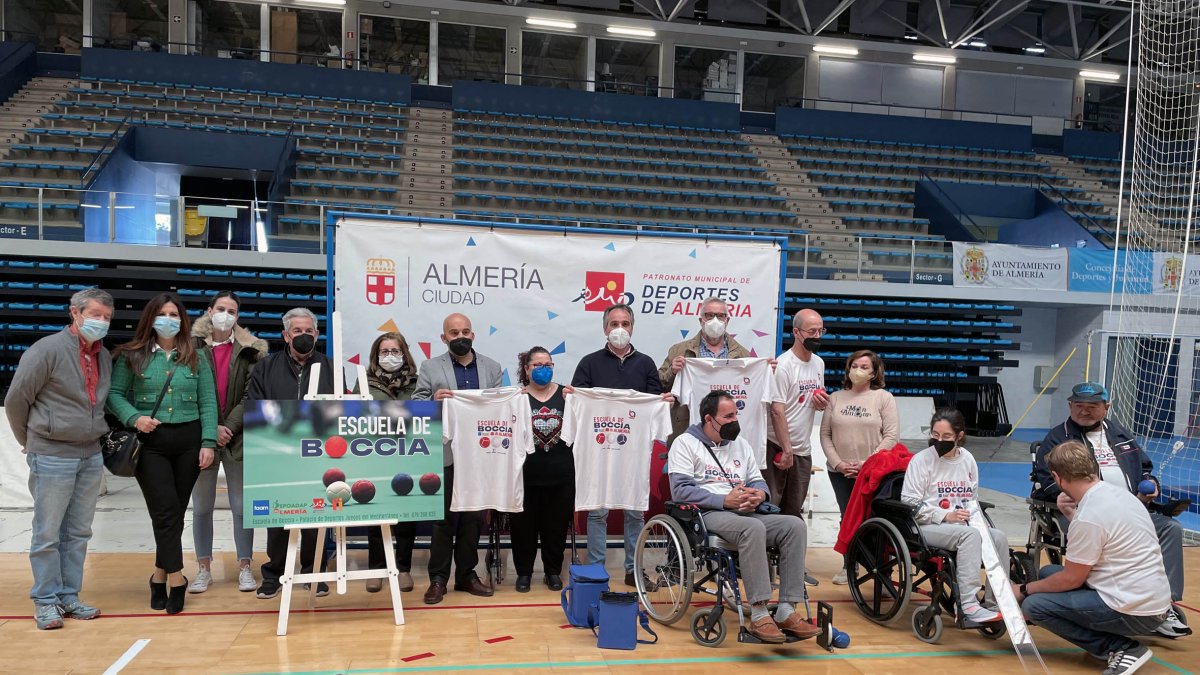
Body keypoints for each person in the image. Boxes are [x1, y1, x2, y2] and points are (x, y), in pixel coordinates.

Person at [1031, 382, 1189, 638]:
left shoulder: (1119, 434)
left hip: (1130, 510)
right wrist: (1060, 493)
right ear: (1070, 406)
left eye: (1092, 406)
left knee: (1170, 528)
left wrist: (1151, 483)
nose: (1084, 411)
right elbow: (1047, 478)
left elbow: (1145, 468)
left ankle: (1164, 605)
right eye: (1079, 405)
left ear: (1107, 407)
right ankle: (1107, 599)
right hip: (1084, 511)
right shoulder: (1058, 438)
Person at [668, 390, 822, 643]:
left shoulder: (741, 444)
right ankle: (759, 614)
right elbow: (681, 491)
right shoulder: (685, 444)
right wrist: (723, 500)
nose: (735, 421)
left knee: (794, 526)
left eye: (736, 415)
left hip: (746, 512)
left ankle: (786, 610)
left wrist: (759, 495)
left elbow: (758, 482)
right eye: (728, 416)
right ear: (709, 419)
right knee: (752, 528)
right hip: (709, 514)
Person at [5, 288, 114, 629]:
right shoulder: (46, 350)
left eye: (106, 317)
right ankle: (45, 600)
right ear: (75, 313)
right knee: (48, 532)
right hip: (52, 453)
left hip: (90, 454)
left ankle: (69, 595)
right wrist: (30, 441)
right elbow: (16, 400)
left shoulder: (104, 356)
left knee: (78, 532)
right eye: (95, 314)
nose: (101, 321)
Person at [1016, 440, 1172, 675]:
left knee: (1035, 605)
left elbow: (1071, 579)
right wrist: (1071, 514)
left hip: (1134, 610)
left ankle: (1121, 648)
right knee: (1048, 574)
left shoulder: (1089, 515)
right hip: (1153, 599)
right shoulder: (1121, 495)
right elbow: (1101, 539)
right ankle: (1108, 636)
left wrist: (1023, 589)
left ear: (1057, 477)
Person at [107, 293, 218, 615]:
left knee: (174, 512)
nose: (168, 320)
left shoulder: (197, 356)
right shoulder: (132, 355)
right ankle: (177, 578)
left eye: (174, 314)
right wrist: (134, 418)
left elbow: (208, 401)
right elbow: (114, 394)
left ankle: (158, 575)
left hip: (189, 440)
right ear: (150, 319)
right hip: (150, 443)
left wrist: (208, 442)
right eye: (162, 314)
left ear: (182, 320)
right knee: (166, 511)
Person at [571, 303, 672, 589]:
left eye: (625, 323)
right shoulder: (589, 362)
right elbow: (579, 400)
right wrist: (572, 395)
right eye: (614, 323)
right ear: (605, 328)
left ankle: (633, 571)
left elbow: (654, 401)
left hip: (632, 451)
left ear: (632, 328)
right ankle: (595, 571)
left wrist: (663, 402)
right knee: (597, 511)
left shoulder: (646, 363)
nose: (619, 329)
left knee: (635, 510)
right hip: (599, 449)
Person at [412, 312, 503, 604]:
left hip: (480, 454)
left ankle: (466, 575)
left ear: (473, 335)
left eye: (465, 332)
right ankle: (438, 579)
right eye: (454, 333)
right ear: (444, 337)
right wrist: (433, 401)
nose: (460, 337)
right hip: (446, 452)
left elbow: (500, 407)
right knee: (443, 519)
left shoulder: (492, 367)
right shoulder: (430, 366)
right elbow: (416, 403)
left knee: (473, 518)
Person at [246, 307, 335, 600]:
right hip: (278, 454)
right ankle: (274, 574)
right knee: (277, 517)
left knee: (316, 516)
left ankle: (314, 572)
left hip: (317, 454)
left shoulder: (330, 367)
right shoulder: (266, 367)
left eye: (309, 331)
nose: (303, 335)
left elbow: (341, 410)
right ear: (286, 335)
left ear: (317, 334)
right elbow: (255, 405)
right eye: (297, 331)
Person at [187, 291, 267, 595]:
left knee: (242, 506)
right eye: (220, 308)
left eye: (231, 311)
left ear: (237, 317)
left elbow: (250, 395)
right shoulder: (191, 347)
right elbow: (188, 391)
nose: (225, 314)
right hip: (202, 438)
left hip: (238, 437)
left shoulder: (251, 351)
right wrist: (210, 429)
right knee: (202, 506)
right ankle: (203, 568)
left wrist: (228, 427)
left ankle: (245, 566)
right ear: (209, 311)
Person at [900, 408, 1005, 624]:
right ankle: (967, 604)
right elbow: (910, 503)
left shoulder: (968, 459)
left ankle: (996, 602)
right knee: (970, 536)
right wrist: (945, 515)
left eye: (946, 436)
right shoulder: (921, 461)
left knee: (999, 538)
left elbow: (971, 499)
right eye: (935, 435)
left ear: (959, 436)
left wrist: (978, 522)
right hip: (925, 525)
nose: (939, 440)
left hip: (961, 525)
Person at [819, 349, 897, 584]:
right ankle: (849, 565)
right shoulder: (835, 398)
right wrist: (839, 463)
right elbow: (825, 435)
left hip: (873, 471)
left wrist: (866, 463)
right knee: (847, 517)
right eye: (854, 366)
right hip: (840, 472)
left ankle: (882, 569)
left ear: (874, 372)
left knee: (875, 519)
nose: (858, 371)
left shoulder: (883, 398)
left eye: (864, 367)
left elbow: (891, 436)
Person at [511, 346, 575, 593]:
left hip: (561, 474)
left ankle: (552, 571)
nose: (543, 369)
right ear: (526, 369)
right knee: (523, 528)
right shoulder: (516, 397)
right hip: (524, 475)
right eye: (537, 365)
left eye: (548, 364)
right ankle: (524, 573)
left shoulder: (568, 395)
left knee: (556, 527)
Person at [363, 331, 418, 593]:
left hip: (409, 455)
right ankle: (376, 569)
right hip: (374, 457)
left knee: (407, 516)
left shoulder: (417, 383)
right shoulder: (365, 382)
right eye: (384, 352)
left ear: (404, 354)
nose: (390, 356)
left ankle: (403, 568)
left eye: (395, 351)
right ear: (376, 356)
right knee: (376, 514)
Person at [658, 297, 750, 441]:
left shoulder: (743, 355)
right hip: (687, 429)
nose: (715, 320)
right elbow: (659, 386)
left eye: (720, 316)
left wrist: (765, 370)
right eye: (709, 315)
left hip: (727, 432)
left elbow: (750, 391)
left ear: (727, 320)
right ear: (701, 320)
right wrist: (672, 371)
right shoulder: (679, 350)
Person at [766, 309, 829, 517]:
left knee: (794, 510)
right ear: (796, 332)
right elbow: (777, 410)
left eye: (820, 331)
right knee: (770, 507)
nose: (817, 336)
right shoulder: (784, 365)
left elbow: (815, 401)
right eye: (812, 331)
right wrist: (786, 449)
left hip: (802, 449)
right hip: (777, 445)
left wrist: (821, 403)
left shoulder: (819, 363)